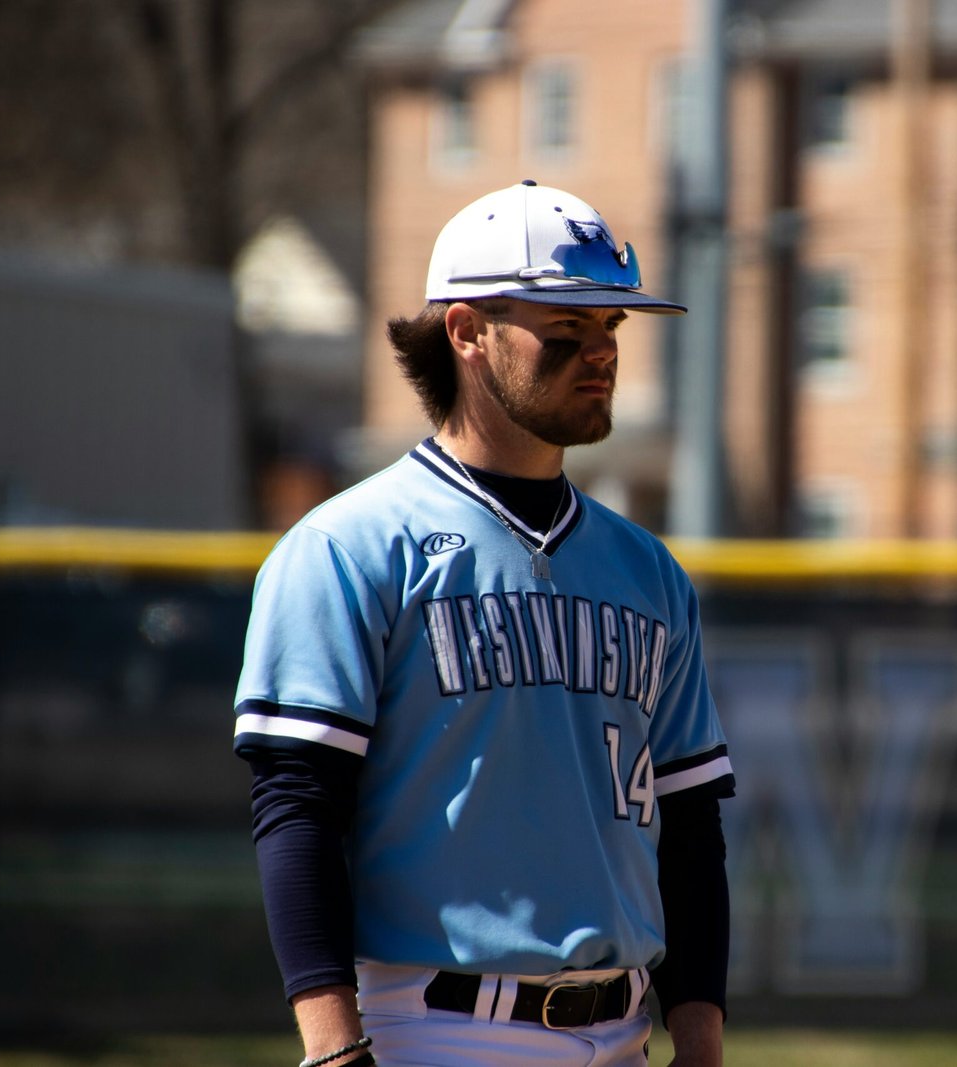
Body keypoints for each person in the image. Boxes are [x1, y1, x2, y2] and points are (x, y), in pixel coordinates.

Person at [233, 180, 735, 1067]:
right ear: (466, 332)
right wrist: (331, 1045)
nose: (601, 354)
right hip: (433, 1026)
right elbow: (297, 806)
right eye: (567, 331)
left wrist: (699, 1037)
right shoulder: (349, 547)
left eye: (611, 329)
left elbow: (692, 827)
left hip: (623, 1031)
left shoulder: (649, 570)